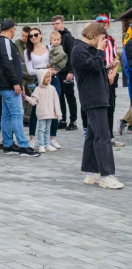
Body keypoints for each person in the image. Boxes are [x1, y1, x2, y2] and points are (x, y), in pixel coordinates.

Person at [72, 22, 123, 189]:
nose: (103, 43)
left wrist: (108, 66)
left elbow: (94, 68)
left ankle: (91, 172)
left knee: (93, 136)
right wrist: (101, 52)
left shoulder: (89, 51)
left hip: (98, 97)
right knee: (103, 137)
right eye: (102, 39)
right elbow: (92, 65)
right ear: (93, 36)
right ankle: (107, 175)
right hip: (93, 99)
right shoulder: (79, 50)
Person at [0, 20, 40, 157]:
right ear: (11, 29)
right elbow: (8, 64)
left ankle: (8, 144)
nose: (15, 32)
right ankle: (24, 146)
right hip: (8, 85)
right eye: (14, 29)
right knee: (17, 114)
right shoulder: (5, 42)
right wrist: (15, 83)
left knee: (6, 115)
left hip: (3, 85)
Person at [24, 28, 62, 150]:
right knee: (36, 108)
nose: (33, 37)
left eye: (36, 35)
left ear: (41, 35)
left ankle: (51, 138)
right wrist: (44, 71)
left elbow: (58, 60)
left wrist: (55, 70)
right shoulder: (27, 51)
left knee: (54, 106)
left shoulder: (49, 47)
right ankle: (32, 138)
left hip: (53, 79)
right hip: (38, 81)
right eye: (31, 36)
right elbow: (30, 71)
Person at [95, 14, 124, 147]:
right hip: (99, 75)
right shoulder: (93, 40)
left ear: (108, 24)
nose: (102, 25)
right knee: (100, 106)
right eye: (100, 23)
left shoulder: (111, 40)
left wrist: (112, 74)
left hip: (111, 75)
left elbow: (115, 58)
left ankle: (110, 137)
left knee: (111, 106)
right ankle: (100, 135)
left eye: (104, 23)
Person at [25, 70, 62, 153]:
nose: (48, 79)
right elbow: (34, 101)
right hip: (41, 113)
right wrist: (27, 98)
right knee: (41, 129)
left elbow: (56, 101)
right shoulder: (37, 89)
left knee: (47, 129)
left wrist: (57, 113)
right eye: (46, 77)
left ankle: (47, 144)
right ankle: (41, 145)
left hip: (50, 114)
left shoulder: (52, 89)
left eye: (49, 77)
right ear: (41, 78)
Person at [52, 15, 78, 130]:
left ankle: (73, 121)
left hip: (67, 71)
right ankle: (62, 119)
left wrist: (71, 71)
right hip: (57, 72)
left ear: (62, 23)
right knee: (59, 97)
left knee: (70, 96)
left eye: (57, 23)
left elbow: (72, 54)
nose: (55, 26)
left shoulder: (67, 37)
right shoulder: (55, 37)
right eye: (53, 24)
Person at [14, 27, 35, 126]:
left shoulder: (34, 45)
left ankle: (28, 118)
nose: (23, 38)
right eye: (22, 35)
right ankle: (20, 118)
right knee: (20, 96)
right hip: (21, 75)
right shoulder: (17, 43)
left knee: (30, 96)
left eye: (26, 36)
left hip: (31, 76)